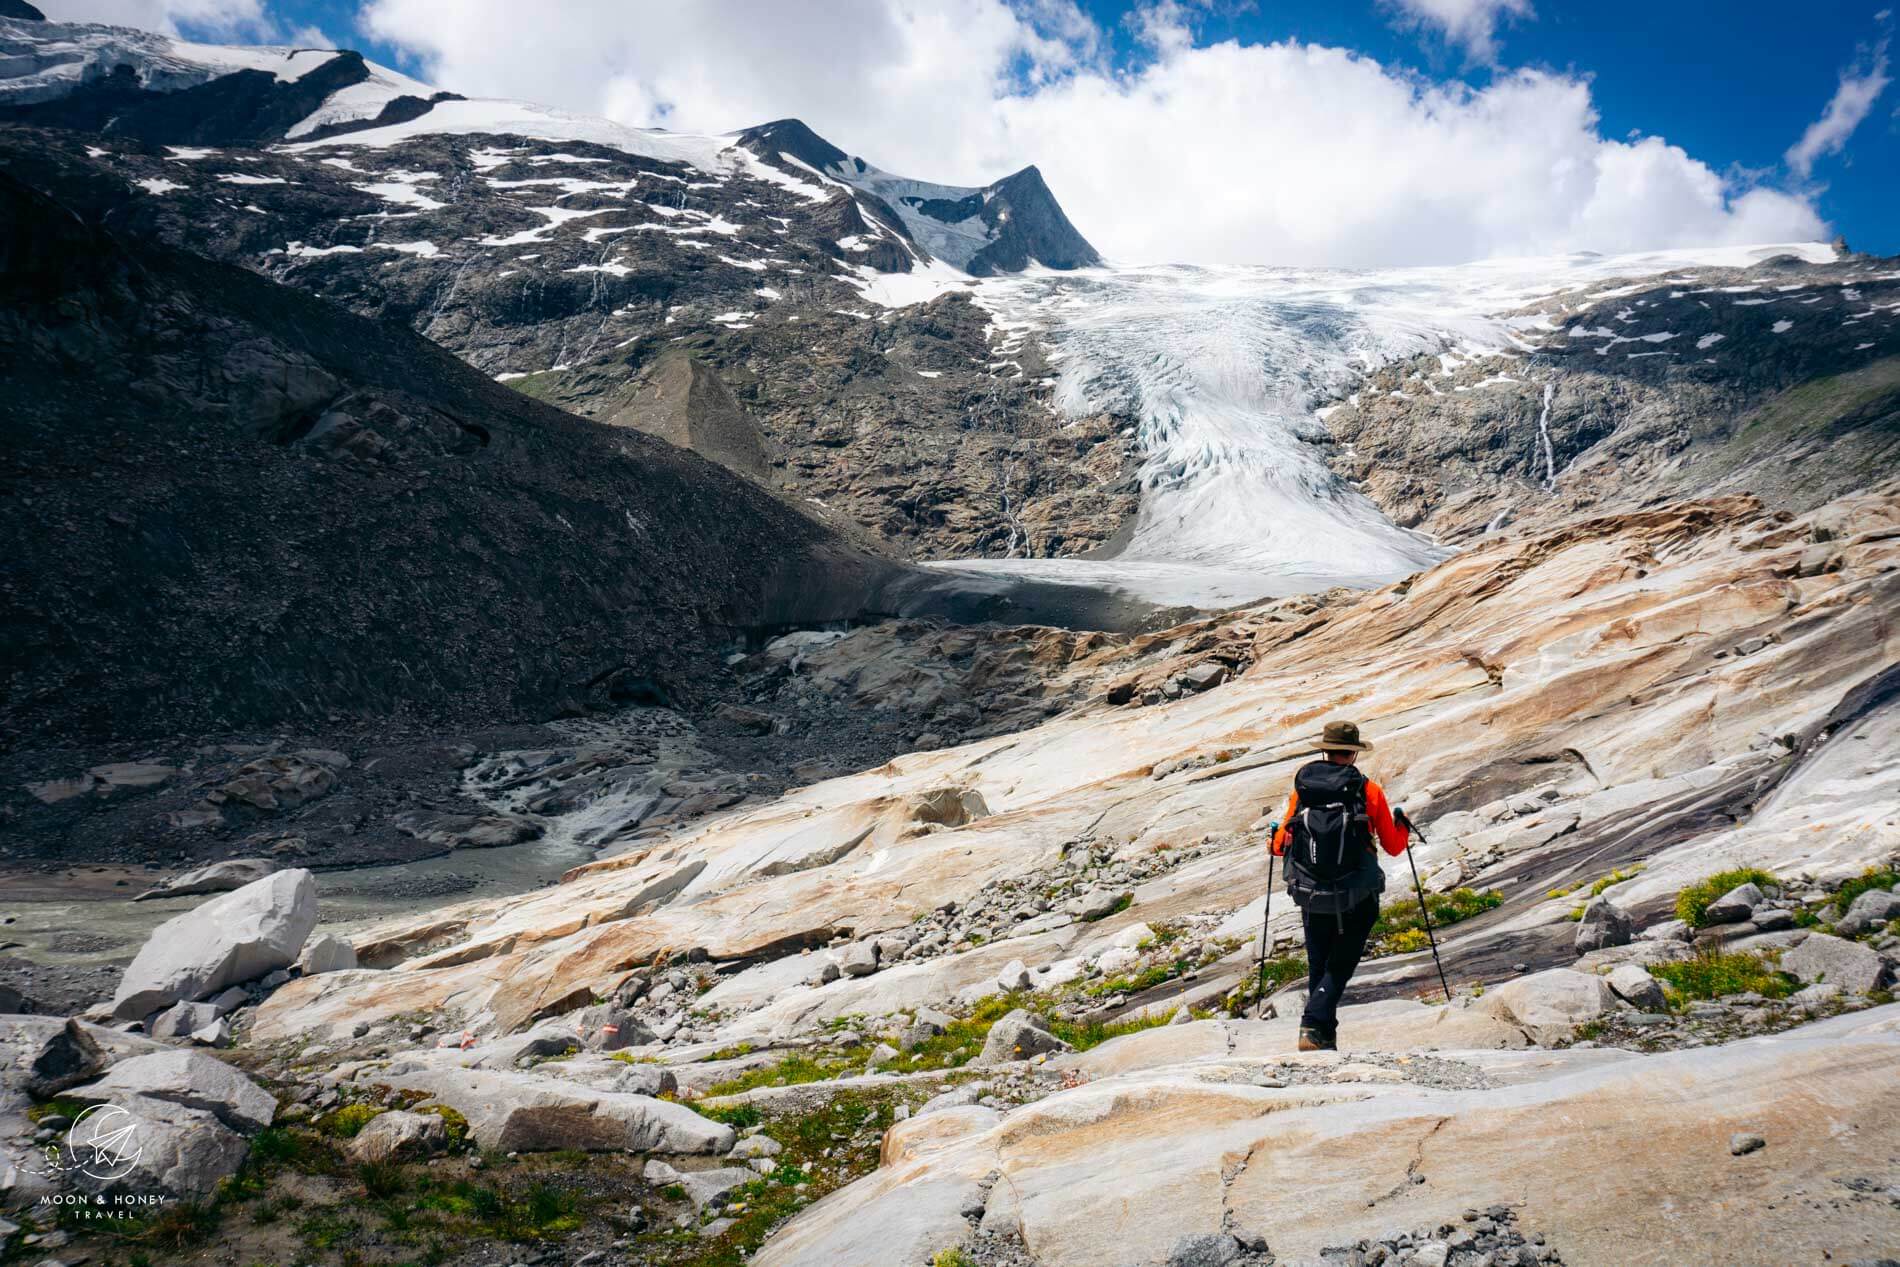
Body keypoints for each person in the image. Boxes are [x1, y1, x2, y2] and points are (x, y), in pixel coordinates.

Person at [1267, 719, 1410, 1052]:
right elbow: (1392, 845)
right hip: (1357, 890)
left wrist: (1275, 834)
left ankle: (1321, 1037)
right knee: (1342, 961)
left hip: (1311, 889)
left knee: (1319, 962)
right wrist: (1401, 824)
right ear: (1354, 754)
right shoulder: (1368, 790)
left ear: (1324, 749)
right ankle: (1314, 1022)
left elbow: (1279, 845)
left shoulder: (1303, 789)